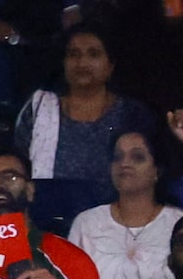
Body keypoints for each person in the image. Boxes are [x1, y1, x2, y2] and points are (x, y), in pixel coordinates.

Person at [19, 26, 156, 197]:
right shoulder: (40, 109)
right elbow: (19, 168)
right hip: (48, 214)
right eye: (74, 54)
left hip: (116, 216)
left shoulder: (131, 114)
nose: (82, 63)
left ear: (110, 66)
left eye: (94, 54)